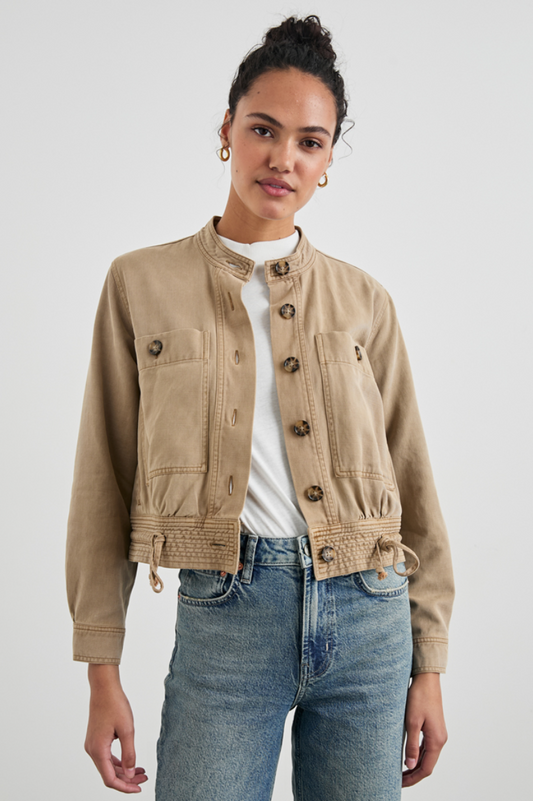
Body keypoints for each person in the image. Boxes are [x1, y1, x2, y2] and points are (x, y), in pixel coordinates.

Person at [66, 14, 454, 800]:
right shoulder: (140, 283)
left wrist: (430, 664)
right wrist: (101, 670)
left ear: (327, 161)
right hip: (227, 616)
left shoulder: (363, 300)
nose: (283, 158)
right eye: (263, 130)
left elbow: (411, 478)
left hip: (371, 617)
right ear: (227, 132)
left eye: (310, 141)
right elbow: (102, 476)